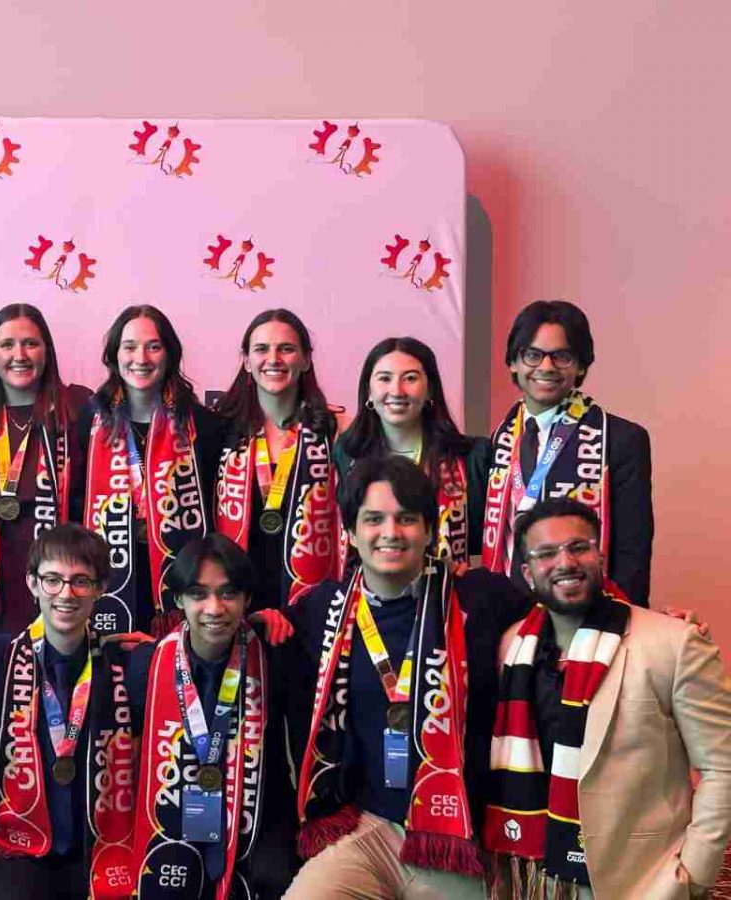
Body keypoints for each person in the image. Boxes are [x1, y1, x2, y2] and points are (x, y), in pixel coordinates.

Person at [281, 457, 530, 899]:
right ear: (351, 533)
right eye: (373, 520)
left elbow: (565, 606)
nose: (391, 533)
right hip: (368, 827)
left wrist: (652, 620)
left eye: (407, 519)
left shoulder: (479, 598)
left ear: (430, 531)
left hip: (454, 835)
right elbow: (239, 635)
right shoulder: (322, 610)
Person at [483, 498, 731, 898]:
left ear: (600, 555)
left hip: (639, 881)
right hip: (530, 877)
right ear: (528, 573)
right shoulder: (511, 647)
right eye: (547, 553)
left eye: (578, 547)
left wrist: (693, 873)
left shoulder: (672, 642)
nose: (565, 562)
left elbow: (723, 767)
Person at [0, 523, 154, 900]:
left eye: (80, 581)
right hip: (22, 851)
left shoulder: (126, 663)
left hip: (103, 847)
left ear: (101, 587)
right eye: (52, 579)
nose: (66, 594)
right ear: (32, 583)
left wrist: (256, 627)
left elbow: (202, 650)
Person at [483, 300, 654, 606]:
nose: (546, 368)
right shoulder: (496, 441)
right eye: (533, 355)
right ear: (513, 362)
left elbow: (633, 552)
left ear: (581, 365)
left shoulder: (622, 440)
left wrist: (623, 619)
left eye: (561, 356)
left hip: (588, 612)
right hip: (507, 613)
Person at [131, 534, 272, 900]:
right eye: (198, 594)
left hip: (253, 827)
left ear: (247, 599)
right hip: (171, 827)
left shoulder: (274, 659)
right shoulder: (145, 665)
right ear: (178, 599)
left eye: (228, 594)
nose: (214, 608)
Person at [76, 305, 225, 637]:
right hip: (112, 570)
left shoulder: (202, 425)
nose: (140, 357)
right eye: (129, 347)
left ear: (169, 354)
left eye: (153, 346)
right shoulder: (89, 422)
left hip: (182, 575)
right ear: (115, 355)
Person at [0, 304, 91, 645]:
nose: (19, 355)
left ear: (47, 350)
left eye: (30, 343)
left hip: (60, 584)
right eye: (7, 345)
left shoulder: (77, 408)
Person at [213, 309, 343, 610]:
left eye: (286, 349)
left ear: (306, 359)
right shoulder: (220, 429)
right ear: (246, 361)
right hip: (235, 602)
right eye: (261, 349)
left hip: (314, 598)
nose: (274, 359)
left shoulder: (336, 429)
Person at [335, 336, 489, 569]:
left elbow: (485, 540)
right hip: (366, 598)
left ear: (430, 390)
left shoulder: (472, 457)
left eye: (410, 378)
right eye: (384, 379)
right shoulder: (344, 456)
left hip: (446, 596)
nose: (397, 390)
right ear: (368, 390)